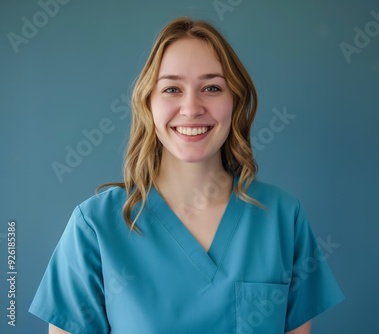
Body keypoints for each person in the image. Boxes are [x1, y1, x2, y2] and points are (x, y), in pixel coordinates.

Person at [29, 17, 344, 334]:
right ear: (148, 103)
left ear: (234, 102)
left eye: (211, 88)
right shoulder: (95, 226)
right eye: (171, 89)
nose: (191, 108)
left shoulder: (283, 218)